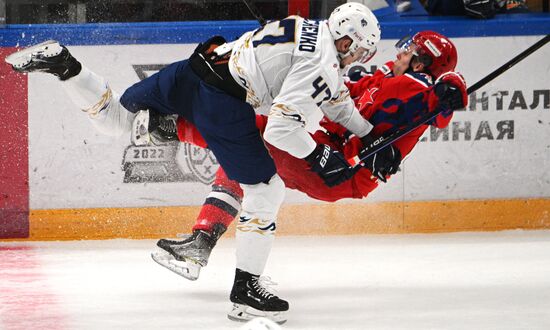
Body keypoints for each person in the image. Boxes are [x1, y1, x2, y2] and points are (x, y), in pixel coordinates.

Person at [5, 2, 382, 324]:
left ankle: (66, 65)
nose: (356, 58)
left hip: (194, 70)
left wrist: (368, 132)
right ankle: (245, 291)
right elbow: (281, 130)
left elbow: (334, 99)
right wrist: (320, 155)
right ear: (345, 39)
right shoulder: (324, 61)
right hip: (223, 100)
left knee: (117, 119)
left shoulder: (306, 26)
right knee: (267, 189)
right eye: (359, 50)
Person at [151, 30, 468, 285]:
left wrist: (452, 86)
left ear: (421, 63)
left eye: (410, 50)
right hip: (329, 148)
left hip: (344, 169)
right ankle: (203, 240)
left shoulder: (420, 87)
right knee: (242, 158)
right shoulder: (386, 74)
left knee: (248, 140)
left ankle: (174, 127)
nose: (400, 52)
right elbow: (343, 89)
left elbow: (440, 103)